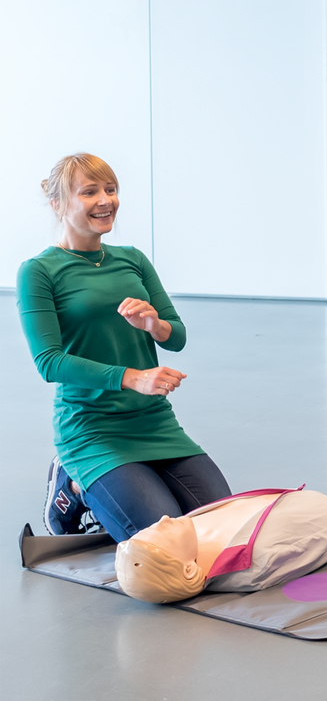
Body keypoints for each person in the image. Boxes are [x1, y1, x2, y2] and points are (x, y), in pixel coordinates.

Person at [21, 154, 232, 541]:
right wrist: (132, 377)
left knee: (224, 531)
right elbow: (49, 362)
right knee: (166, 543)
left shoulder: (132, 259)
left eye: (111, 189)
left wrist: (154, 324)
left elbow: (178, 336)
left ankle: (108, 484)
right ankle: (74, 487)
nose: (106, 200)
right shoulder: (39, 271)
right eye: (90, 192)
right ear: (58, 204)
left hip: (154, 422)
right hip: (91, 429)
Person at [114, 487, 327, 602]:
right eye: (163, 533)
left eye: (154, 526)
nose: (165, 519)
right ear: (188, 569)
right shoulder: (259, 559)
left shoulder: (190, 534)